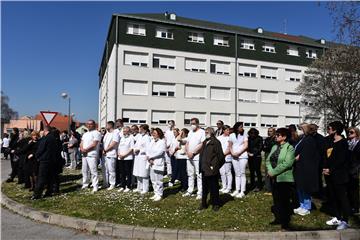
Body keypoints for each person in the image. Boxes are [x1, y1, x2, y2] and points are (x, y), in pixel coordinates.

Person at [323, 121, 351, 230]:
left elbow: (341, 160)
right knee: (333, 197)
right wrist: (324, 168)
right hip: (329, 174)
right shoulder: (330, 141)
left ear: (335, 129)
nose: (328, 129)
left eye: (329, 128)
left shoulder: (343, 143)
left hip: (339, 175)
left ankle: (345, 220)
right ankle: (337, 217)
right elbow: (326, 156)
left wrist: (331, 169)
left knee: (342, 198)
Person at [266, 128, 295, 230]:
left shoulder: (289, 148)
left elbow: (287, 163)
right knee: (276, 200)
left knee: (284, 201)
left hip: (284, 179)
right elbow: (268, 160)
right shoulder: (274, 147)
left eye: (278, 135)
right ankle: (278, 218)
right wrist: (270, 171)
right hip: (274, 178)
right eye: (276, 135)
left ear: (284, 137)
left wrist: (273, 172)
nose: (276, 136)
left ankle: (285, 221)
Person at [293, 123, 321, 216]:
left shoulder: (310, 139)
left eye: (302, 128)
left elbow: (308, 154)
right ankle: (301, 205)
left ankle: (307, 207)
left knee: (305, 188)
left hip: (306, 167)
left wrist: (298, 157)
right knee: (300, 187)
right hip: (299, 166)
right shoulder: (303, 138)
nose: (300, 130)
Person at [199, 127, 225, 211]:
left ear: (212, 133)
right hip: (204, 169)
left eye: (207, 132)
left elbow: (221, 157)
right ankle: (203, 204)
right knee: (204, 188)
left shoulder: (216, 142)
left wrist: (215, 167)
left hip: (212, 170)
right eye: (205, 132)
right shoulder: (205, 142)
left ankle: (216, 204)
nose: (205, 133)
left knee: (214, 188)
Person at [32, 126, 58, 199]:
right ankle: (49, 192)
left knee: (41, 178)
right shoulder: (53, 138)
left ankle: (37, 195)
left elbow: (41, 149)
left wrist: (36, 156)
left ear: (45, 131)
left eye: (43, 131)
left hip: (44, 160)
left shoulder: (46, 138)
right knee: (50, 177)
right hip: (52, 160)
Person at [184, 118, 205, 200]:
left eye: (193, 123)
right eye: (191, 123)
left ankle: (200, 192)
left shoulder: (202, 132)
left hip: (197, 156)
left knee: (199, 175)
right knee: (190, 174)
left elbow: (202, 144)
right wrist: (187, 152)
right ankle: (190, 190)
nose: (192, 125)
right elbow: (187, 143)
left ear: (197, 123)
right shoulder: (190, 132)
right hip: (189, 156)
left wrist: (193, 153)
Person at [80, 120, 102, 193]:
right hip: (84, 154)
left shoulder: (97, 133)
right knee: (84, 170)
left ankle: (95, 185)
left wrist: (86, 150)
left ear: (94, 125)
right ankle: (85, 184)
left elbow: (94, 144)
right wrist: (82, 149)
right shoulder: (85, 134)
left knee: (93, 171)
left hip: (92, 154)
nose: (89, 125)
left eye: (91, 124)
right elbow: (81, 143)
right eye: (88, 124)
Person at [229, 122, 248, 198]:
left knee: (242, 173)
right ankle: (237, 190)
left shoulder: (244, 134)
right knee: (237, 173)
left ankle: (242, 191)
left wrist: (239, 152)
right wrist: (233, 153)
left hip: (243, 156)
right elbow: (230, 146)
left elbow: (246, 145)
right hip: (234, 156)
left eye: (242, 127)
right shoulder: (231, 135)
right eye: (240, 127)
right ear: (236, 128)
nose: (242, 128)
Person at [146, 128, 166, 201]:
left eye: (155, 133)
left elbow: (160, 152)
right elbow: (147, 150)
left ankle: (160, 194)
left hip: (158, 162)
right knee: (153, 179)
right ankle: (156, 193)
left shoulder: (162, 142)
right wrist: (149, 158)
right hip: (151, 162)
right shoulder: (152, 141)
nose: (153, 134)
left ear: (159, 134)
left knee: (159, 180)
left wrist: (151, 157)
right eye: (152, 133)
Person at [133, 124, 151, 194]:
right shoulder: (139, 137)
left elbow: (148, 148)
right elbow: (135, 145)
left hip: (143, 157)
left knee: (144, 174)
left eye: (141, 129)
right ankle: (139, 187)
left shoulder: (148, 138)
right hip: (137, 157)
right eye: (139, 129)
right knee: (138, 173)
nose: (139, 130)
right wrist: (135, 149)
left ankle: (145, 188)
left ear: (145, 130)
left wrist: (140, 150)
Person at [102, 121, 120, 190]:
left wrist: (106, 150)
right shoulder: (107, 134)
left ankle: (112, 183)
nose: (105, 126)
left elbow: (114, 143)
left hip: (111, 153)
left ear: (110, 125)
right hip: (105, 154)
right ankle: (106, 183)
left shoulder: (115, 133)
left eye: (106, 125)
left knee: (111, 170)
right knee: (105, 169)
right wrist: (103, 150)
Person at [117, 126, 134, 192]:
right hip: (120, 157)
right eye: (124, 131)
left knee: (128, 172)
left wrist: (124, 155)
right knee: (122, 172)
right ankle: (122, 185)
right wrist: (119, 154)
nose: (125, 132)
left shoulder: (131, 138)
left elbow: (131, 148)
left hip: (128, 158)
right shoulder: (121, 138)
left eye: (126, 131)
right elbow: (119, 147)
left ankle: (128, 186)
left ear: (129, 131)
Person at [347, 127, 360, 214]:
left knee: (354, 188)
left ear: (357, 133)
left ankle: (356, 207)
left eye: (351, 132)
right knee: (349, 188)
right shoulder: (348, 142)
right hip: (347, 168)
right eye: (348, 132)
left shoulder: (358, 143)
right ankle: (350, 205)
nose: (349, 134)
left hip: (355, 168)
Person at [217, 125, 232, 194]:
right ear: (223, 130)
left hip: (227, 157)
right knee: (222, 173)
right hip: (220, 157)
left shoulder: (230, 138)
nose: (229, 131)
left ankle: (229, 188)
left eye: (229, 130)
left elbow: (229, 148)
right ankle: (224, 186)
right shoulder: (219, 138)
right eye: (227, 130)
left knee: (228, 172)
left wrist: (224, 154)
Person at [174, 128, 189, 192]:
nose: (181, 134)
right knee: (180, 173)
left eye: (182, 133)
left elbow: (179, 139)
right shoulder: (182, 139)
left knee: (183, 173)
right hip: (178, 157)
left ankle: (185, 186)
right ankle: (182, 184)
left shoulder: (186, 139)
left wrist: (180, 134)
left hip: (183, 158)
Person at [263, 127, 277, 192]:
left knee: (273, 171)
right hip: (267, 155)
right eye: (268, 131)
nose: (269, 132)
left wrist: (267, 147)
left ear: (274, 131)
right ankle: (268, 188)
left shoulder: (276, 139)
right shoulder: (267, 139)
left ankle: (274, 187)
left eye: (271, 131)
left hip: (273, 156)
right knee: (267, 171)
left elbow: (273, 147)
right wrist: (267, 147)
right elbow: (264, 148)